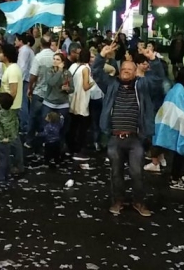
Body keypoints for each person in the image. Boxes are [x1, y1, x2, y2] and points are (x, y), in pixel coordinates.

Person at [93, 42, 163, 217]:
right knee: (116, 172)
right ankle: (118, 201)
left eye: (129, 69)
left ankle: (139, 202)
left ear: (135, 72)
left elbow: (158, 79)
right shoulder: (111, 85)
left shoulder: (142, 86)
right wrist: (101, 56)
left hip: (135, 139)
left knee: (137, 172)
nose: (125, 71)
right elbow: (96, 73)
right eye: (123, 68)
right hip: (115, 138)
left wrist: (152, 59)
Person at [0, 44, 25, 181]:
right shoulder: (11, 68)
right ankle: (17, 165)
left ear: (6, 55)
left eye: (1, 53)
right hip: (9, 107)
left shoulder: (12, 70)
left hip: (9, 108)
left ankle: (7, 169)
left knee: (6, 139)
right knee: (13, 137)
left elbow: (13, 91)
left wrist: (3, 105)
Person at [68, 48, 94, 161]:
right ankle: (79, 149)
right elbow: (85, 86)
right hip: (82, 100)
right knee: (83, 126)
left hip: (72, 98)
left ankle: (70, 146)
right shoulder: (85, 69)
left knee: (73, 124)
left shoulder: (73, 66)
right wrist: (94, 81)